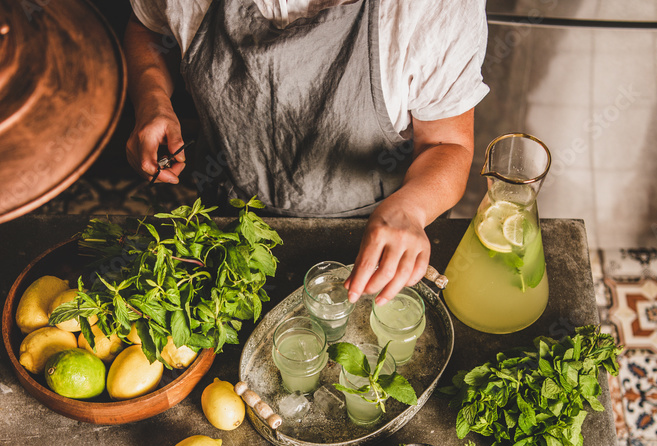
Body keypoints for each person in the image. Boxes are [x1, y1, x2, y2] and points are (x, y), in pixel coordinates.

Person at [124, 0, 488, 304]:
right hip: (232, 227)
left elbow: (447, 144)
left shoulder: (431, 7)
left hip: (375, 244)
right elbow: (147, 28)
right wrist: (152, 99)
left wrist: (412, 208)